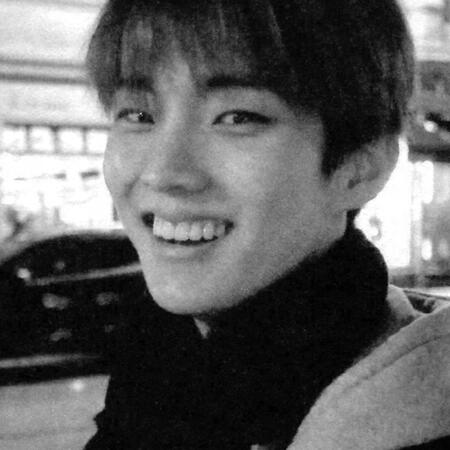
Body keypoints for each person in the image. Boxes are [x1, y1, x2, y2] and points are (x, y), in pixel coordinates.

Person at [84, 0, 450, 448]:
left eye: (237, 118)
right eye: (138, 115)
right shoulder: (158, 369)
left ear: (360, 168)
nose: (162, 172)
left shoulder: (417, 412)